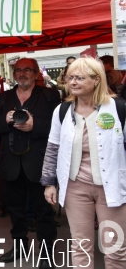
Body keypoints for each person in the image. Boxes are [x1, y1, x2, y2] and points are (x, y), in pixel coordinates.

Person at [41, 57, 126, 268]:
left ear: (97, 80)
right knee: (81, 247)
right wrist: (50, 183)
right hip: (75, 188)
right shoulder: (61, 111)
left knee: (115, 247)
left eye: (79, 78)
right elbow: (53, 148)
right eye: (70, 78)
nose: (73, 82)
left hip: (112, 187)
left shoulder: (118, 108)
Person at [0, 58, 60, 268]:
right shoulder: (2, 98)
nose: (22, 73)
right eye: (18, 70)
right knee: (16, 210)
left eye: (27, 70)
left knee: (44, 212)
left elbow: (61, 126)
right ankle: (20, 246)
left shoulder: (49, 96)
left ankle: (46, 254)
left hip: (40, 163)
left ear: (36, 74)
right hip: (11, 163)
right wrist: (5, 120)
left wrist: (34, 125)